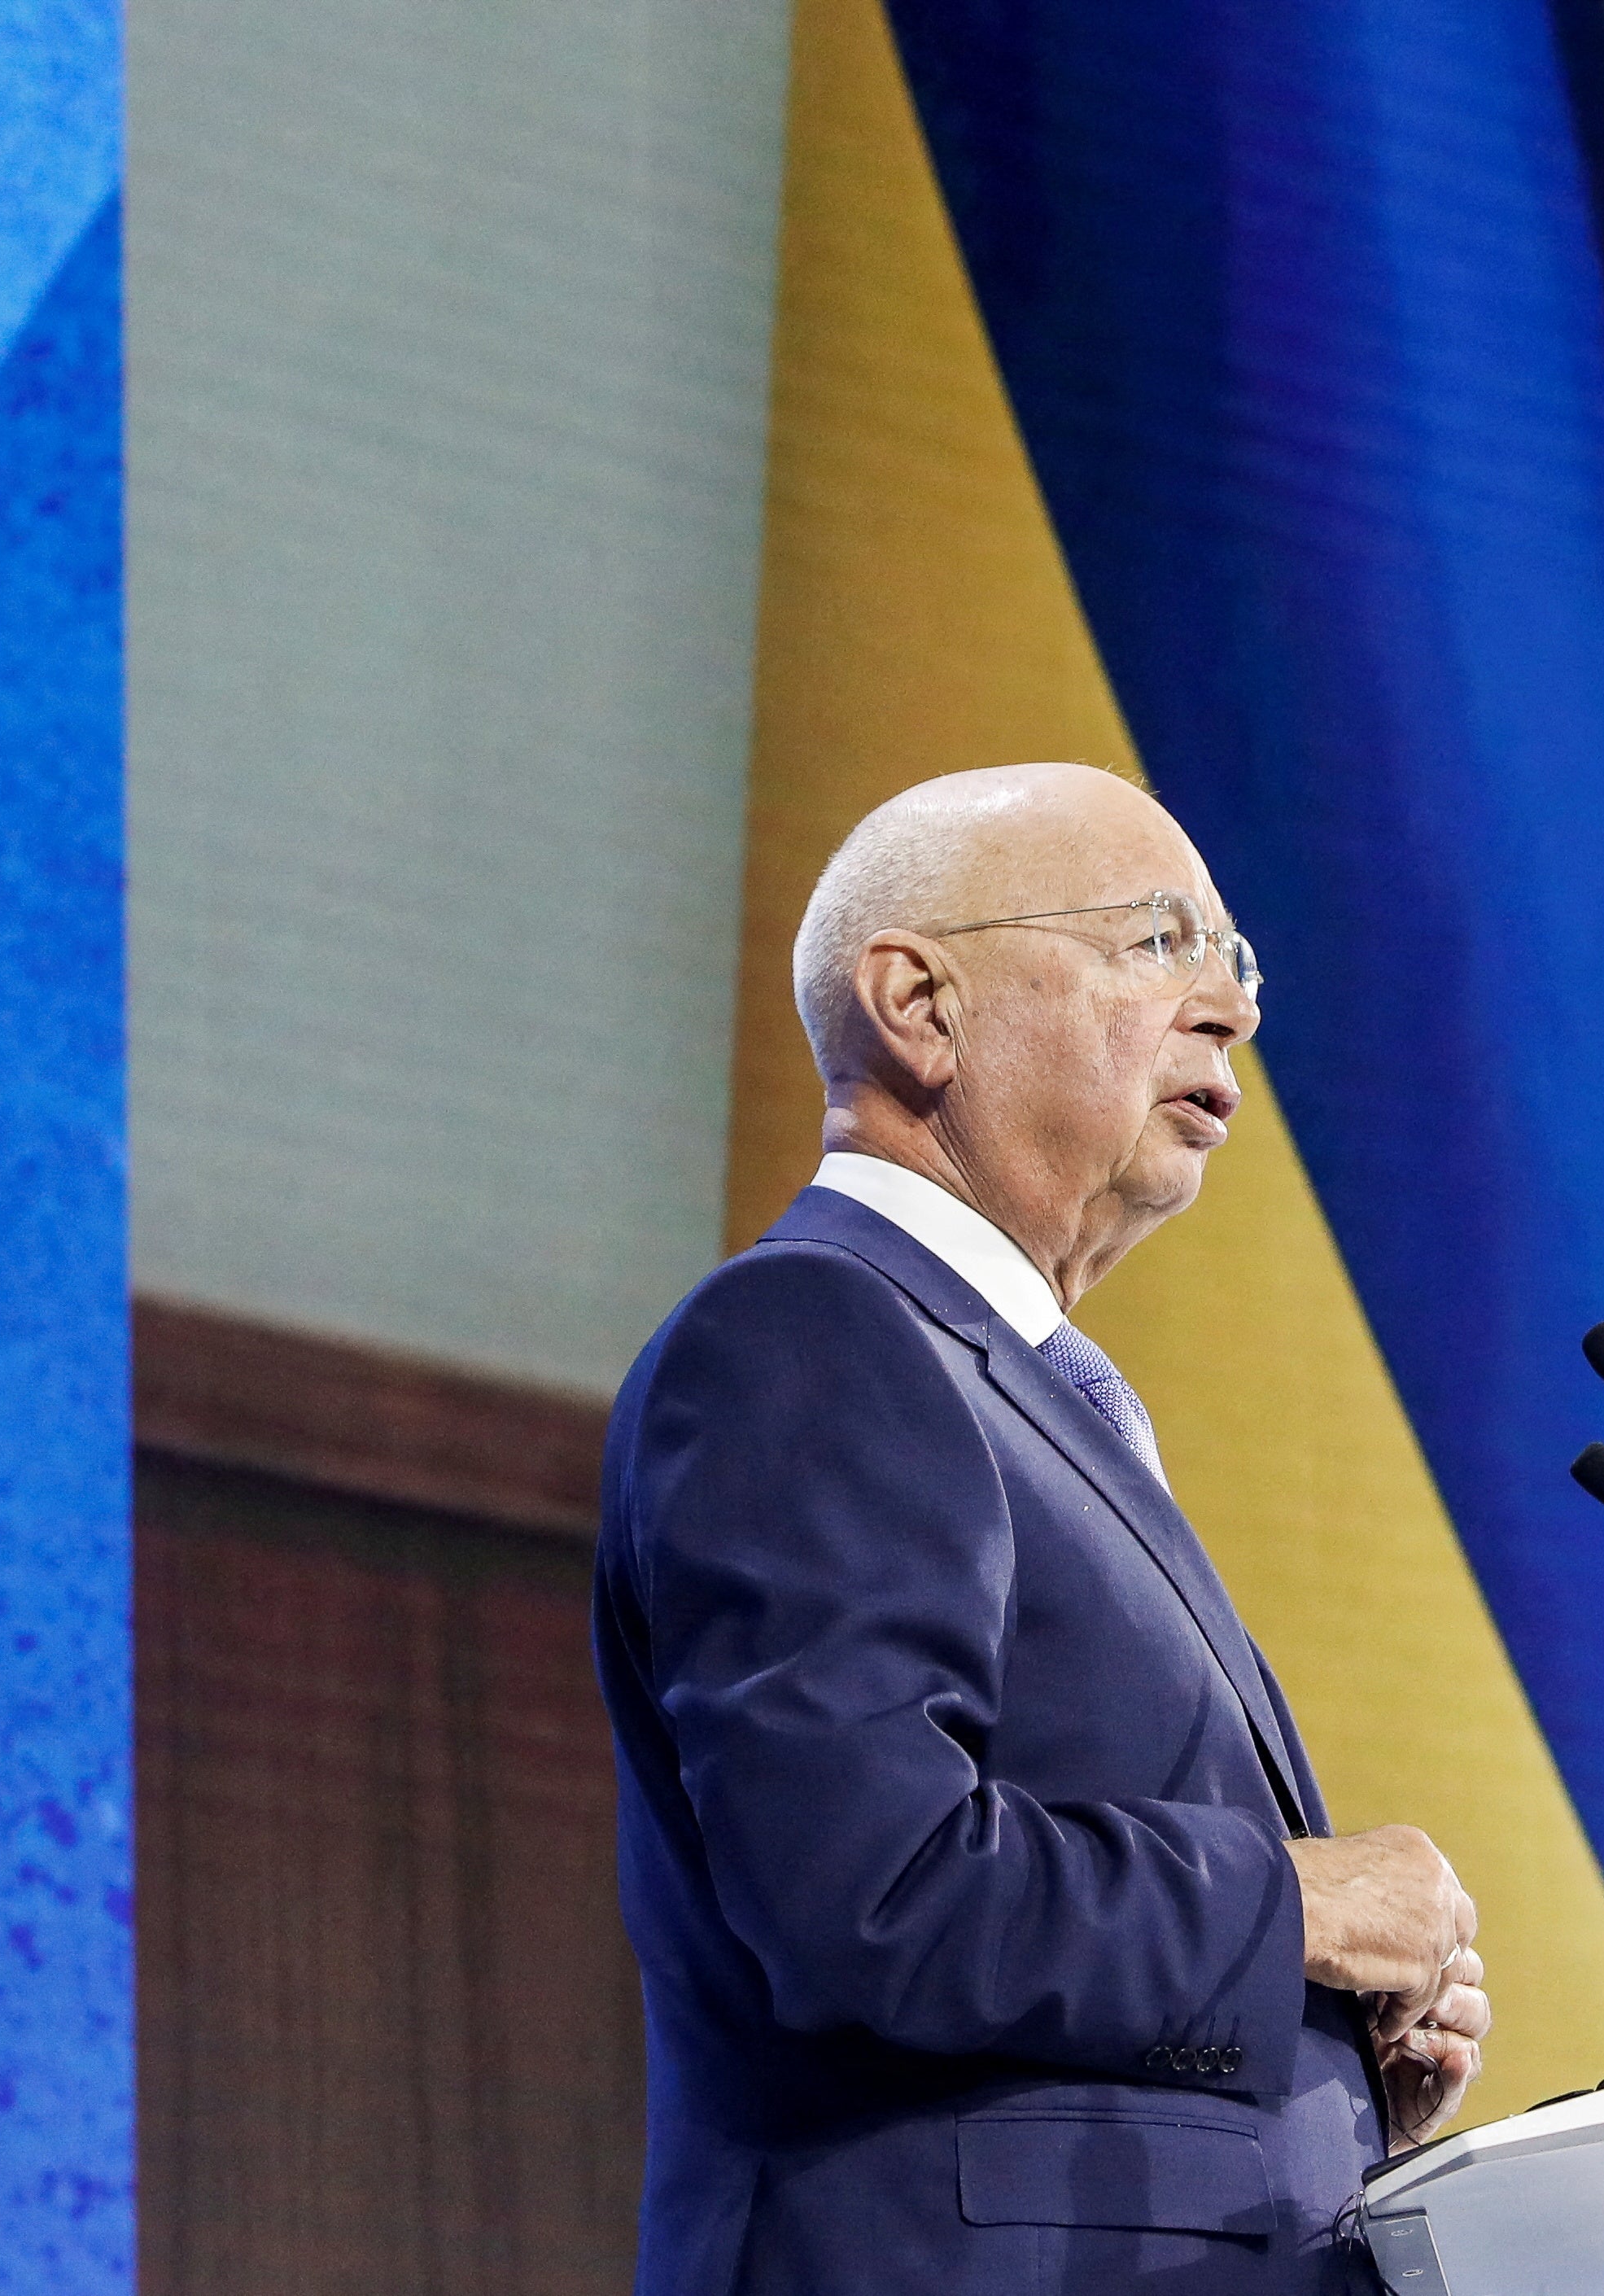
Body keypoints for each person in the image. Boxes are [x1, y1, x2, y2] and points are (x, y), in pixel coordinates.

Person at [595, 762, 1491, 2295]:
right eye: (1159, 941)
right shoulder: (815, 1333)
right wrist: (1302, 1908)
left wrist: (1321, 2071)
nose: (1231, 1008)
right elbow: (873, 1892)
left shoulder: (1018, 1396)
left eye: (1239, 961)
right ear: (919, 1002)